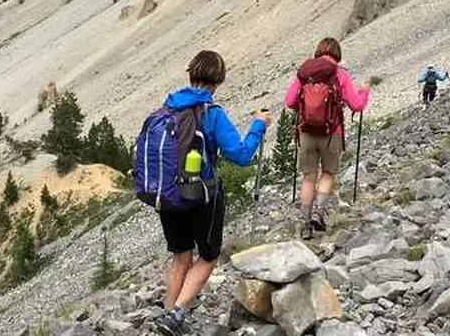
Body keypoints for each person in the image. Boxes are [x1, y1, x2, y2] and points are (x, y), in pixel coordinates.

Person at [152, 51, 270, 336]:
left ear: (190, 73)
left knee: (180, 255)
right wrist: (259, 125)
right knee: (208, 256)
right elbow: (241, 155)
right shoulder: (212, 114)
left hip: (166, 195)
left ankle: (169, 312)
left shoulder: (167, 109)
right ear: (218, 80)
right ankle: (177, 315)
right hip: (201, 196)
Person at [284, 37, 370, 240]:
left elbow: (289, 101)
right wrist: (364, 91)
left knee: (308, 177)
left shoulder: (305, 73)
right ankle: (318, 212)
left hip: (306, 133)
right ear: (337, 55)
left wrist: (307, 108)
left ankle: (305, 225)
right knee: (329, 173)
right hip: (332, 133)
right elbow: (356, 105)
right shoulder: (340, 74)